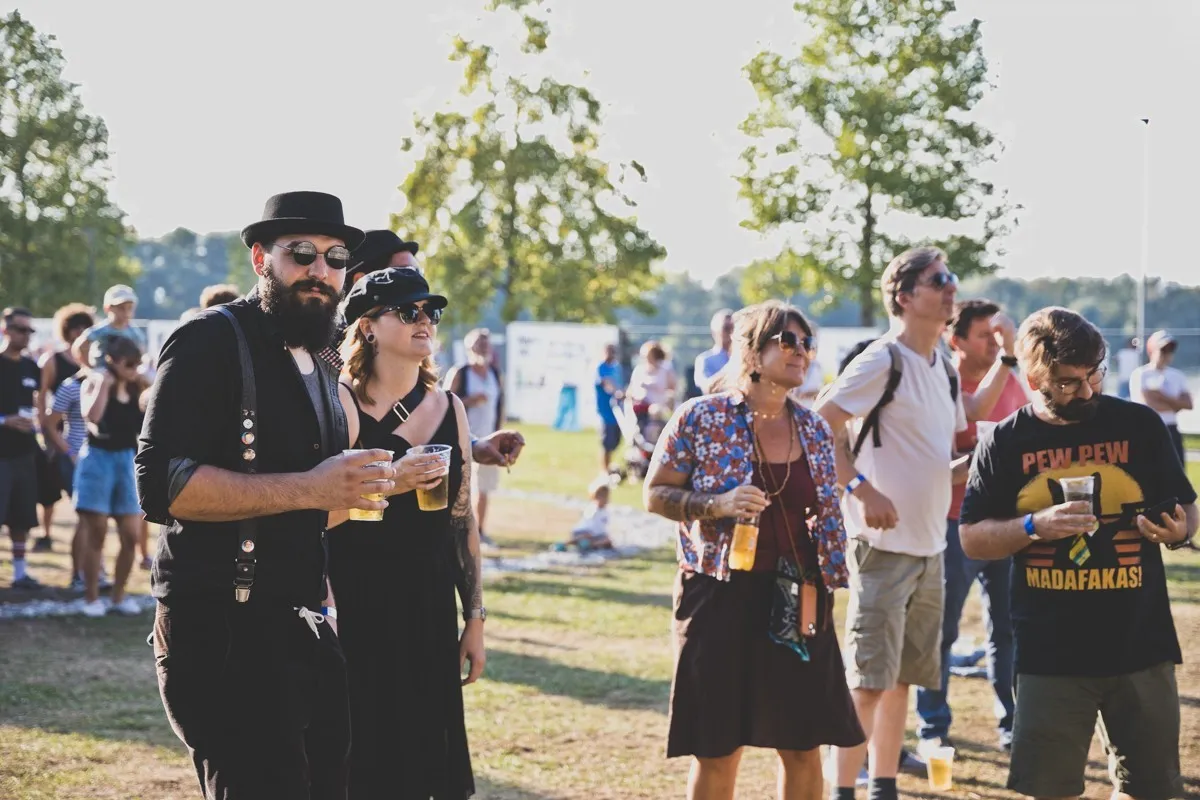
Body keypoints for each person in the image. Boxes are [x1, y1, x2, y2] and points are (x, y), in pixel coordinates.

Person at [137, 190, 397, 798]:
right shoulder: (209, 340)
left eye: (335, 258)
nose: (320, 269)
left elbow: (312, 503)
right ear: (261, 258)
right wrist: (311, 487)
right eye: (300, 252)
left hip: (303, 618)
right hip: (223, 627)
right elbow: (164, 486)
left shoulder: (321, 355)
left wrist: (360, 490)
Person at [960, 307, 1195, 800]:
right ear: (1033, 377)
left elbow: (1188, 513)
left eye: (1095, 375)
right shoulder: (1005, 441)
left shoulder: (1140, 425)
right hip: (1051, 652)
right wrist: (1033, 525)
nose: (1087, 392)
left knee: (1151, 790)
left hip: (1140, 643)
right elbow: (972, 537)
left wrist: (1175, 530)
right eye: (1069, 383)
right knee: (1050, 790)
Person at [645, 300, 864, 800]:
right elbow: (655, 494)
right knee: (718, 747)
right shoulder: (701, 416)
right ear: (750, 349)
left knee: (804, 745)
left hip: (799, 597)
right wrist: (715, 503)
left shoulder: (813, 428)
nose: (800, 352)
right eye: (787, 341)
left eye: (806, 343)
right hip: (719, 595)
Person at [814, 246, 1000, 800]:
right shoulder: (882, 358)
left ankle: (884, 786)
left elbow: (933, 459)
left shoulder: (941, 365)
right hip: (881, 546)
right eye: (937, 279)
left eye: (952, 278)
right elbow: (820, 425)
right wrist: (859, 487)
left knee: (902, 679)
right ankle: (844, 790)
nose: (951, 288)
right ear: (903, 295)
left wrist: (985, 464)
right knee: (869, 681)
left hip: (930, 547)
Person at [328, 266, 483, 798]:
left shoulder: (451, 407)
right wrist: (394, 480)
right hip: (360, 601)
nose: (425, 321)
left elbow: (462, 520)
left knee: (427, 755)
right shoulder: (340, 403)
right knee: (366, 755)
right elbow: (313, 513)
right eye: (408, 311)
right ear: (367, 327)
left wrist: (476, 617)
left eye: (431, 312)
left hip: (430, 604)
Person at [915, 299, 1028, 754]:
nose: (996, 342)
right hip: (953, 524)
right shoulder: (943, 387)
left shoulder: (1013, 383)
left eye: (999, 334)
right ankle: (933, 727)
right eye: (985, 334)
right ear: (955, 339)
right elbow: (930, 465)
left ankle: (1013, 724)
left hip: (1008, 526)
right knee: (941, 631)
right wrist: (979, 460)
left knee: (1008, 628)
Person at [317, 229, 526, 472]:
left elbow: (421, 410)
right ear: (362, 280)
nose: (418, 281)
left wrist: (471, 446)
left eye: (419, 272)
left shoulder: (413, 347)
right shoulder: (319, 358)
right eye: (406, 272)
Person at [76, 337, 150, 618]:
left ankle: (119, 597)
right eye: (129, 364)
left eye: (137, 363)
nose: (134, 368)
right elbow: (93, 418)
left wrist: (143, 381)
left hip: (127, 459)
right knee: (96, 534)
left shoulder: (137, 386)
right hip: (98, 459)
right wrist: (105, 384)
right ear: (112, 362)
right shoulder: (94, 382)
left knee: (131, 536)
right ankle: (91, 597)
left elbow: (152, 413)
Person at [32, 303, 93, 553]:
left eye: (85, 327)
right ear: (66, 330)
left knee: (77, 496)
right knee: (49, 491)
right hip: (55, 429)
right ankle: (46, 533)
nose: (80, 332)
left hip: (78, 432)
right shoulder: (53, 360)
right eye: (75, 327)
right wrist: (44, 428)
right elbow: (41, 394)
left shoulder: (93, 363)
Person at [446, 329, 505, 548]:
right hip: (462, 438)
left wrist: (500, 434)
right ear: (469, 348)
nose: (483, 348)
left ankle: (479, 531)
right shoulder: (461, 372)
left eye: (486, 344)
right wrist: (470, 400)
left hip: (489, 438)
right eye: (479, 344)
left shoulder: (495, 374)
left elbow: (501, 405)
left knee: (485, 487)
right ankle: (455, 530)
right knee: (459, 486)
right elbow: (444, 404)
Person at [0, 308, 44, 590]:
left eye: (29, 330)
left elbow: (36, 404)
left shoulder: (31, 366)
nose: (25, 335)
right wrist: (4, 420)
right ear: (6, 330)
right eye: (20, 329)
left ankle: (19, 573)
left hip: (25, 452)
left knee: (23, 517)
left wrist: (34, 423)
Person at [1130, 330, 1192, 466]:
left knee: (1177, 472)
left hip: (1171, 429)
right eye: (1163, 349)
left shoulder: (1177, 375)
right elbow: (1149, 404)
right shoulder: (1141, 374)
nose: (1166, 354)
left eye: (1170, 350)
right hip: (1148, 429)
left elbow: (1188, 404)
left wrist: (1160, 395)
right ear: (1152, 350)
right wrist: (1175, 405)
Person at [75, 284, 148, 371]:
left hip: (128, 371)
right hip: (105, 370)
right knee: (104, 381)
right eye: (121, 308)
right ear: (108, 308)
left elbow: (142, 352)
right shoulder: (101, 330)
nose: (126, 312)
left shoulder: (134, 332)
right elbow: (80, 346)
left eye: (129, 308)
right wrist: (90, 368)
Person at [555, 474, 615, 552]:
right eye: (602, 497)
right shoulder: (593, 509)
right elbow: (589, 523)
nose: (605, 499)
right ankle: (564, 544)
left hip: (596, 534)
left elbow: (603, 526)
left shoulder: (605, 511)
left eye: (606, 497)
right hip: (584, 531)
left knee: (608, 541)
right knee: (587, 536)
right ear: (595, 497)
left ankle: (591, 545)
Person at [596, 342, 625, 473]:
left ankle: (610, 466)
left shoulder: (617, 368)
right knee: (606, 443)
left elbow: (620, 384)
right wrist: (615, 391)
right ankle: (605, 469)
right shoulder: (600, 367)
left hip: (617, 411)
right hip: (605, 412)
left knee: (616, 441)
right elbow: (606, 383)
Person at [693, 309, 734, 394]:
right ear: (714, 332)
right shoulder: (705, 360)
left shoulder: (745, 358)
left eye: (733, 328)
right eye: (726, 328)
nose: (731, 333)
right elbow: (707, 387)